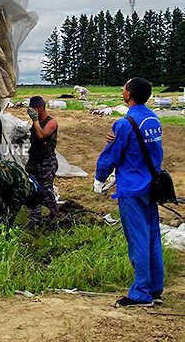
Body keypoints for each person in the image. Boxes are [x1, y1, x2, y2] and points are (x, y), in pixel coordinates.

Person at [94, 77, 165, 308]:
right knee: (152, 235)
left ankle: (141, 293)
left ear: (128, 95)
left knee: (138, 239)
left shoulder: (124, 124)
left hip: (132, 188)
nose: (122, 90)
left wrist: (100, 177)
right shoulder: (153, 119)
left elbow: (112, 155)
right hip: (151, 185)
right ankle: (155, 288)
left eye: (124, 88)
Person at [25, 95, 59, 226]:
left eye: (33, 109)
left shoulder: (51, 122)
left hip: (46, 161)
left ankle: (55, 215)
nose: (31, 111)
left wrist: (35, 120)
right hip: (34, 160)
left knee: (46, 191)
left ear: (40, 108)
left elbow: (41, 135)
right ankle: (35, 220)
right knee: (33, 190)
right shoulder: (36, 122)